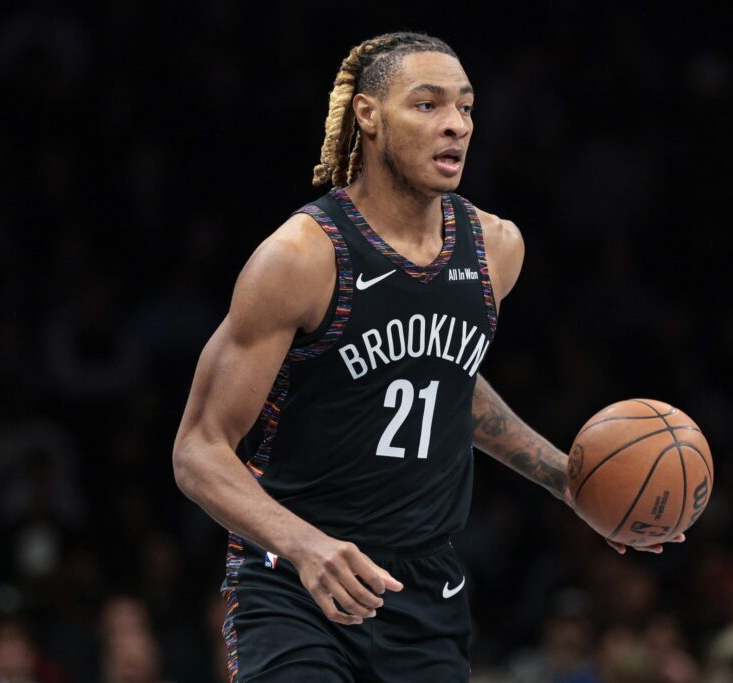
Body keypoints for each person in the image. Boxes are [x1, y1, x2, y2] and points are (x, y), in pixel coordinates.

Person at [172, 31, 683, 682]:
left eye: (465, 107)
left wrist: (567, 478)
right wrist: (305, 545)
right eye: (427, 104)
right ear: (368, 115)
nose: (455, 125)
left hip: (425, 591)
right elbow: (199, 448)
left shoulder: (496, 248)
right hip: (297, 581)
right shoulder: (301, 257)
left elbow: (445, 379)